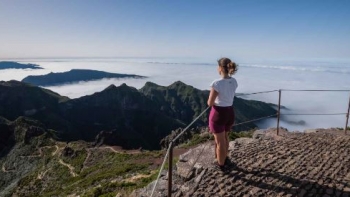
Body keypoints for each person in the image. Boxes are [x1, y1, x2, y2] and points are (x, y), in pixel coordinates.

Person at [207, 57, 238, 169]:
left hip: (218, 114)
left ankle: (220, 164)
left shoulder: (217, 83)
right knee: (225, 137)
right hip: (230, 112)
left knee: (220, 142)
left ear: (220, 68)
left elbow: (210, 103)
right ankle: (224, 158)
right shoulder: (234, 81)